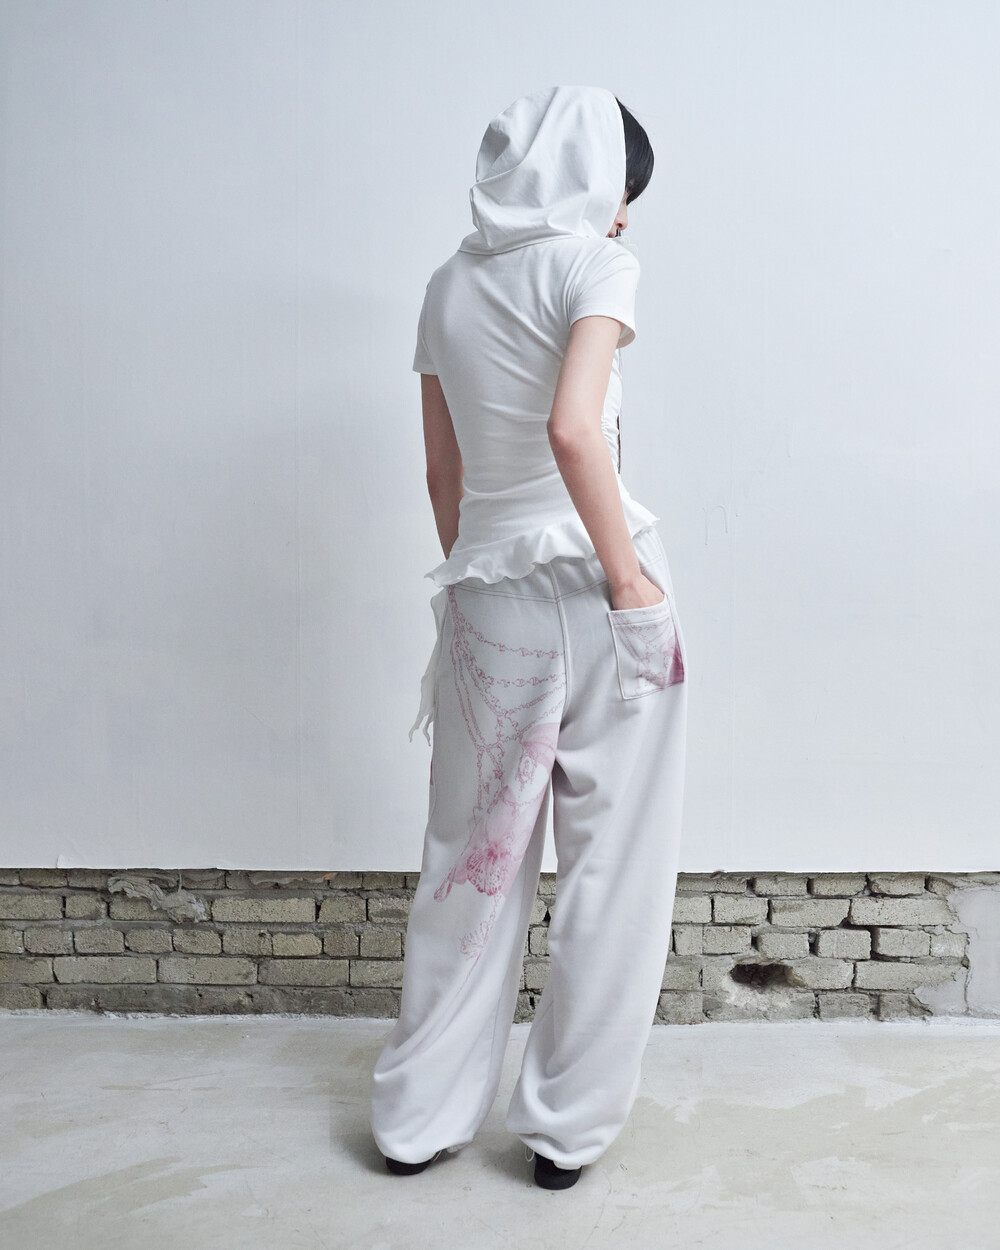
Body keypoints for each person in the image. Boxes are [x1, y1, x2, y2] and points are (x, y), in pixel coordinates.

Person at [369, 84, 688, 1191]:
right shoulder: (596, 265)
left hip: (485, 589)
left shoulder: (445, 284)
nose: (625, 212)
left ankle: (417, 1121)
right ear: (593, 176)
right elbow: (573, 430)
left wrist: (476, 576)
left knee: (471, 862)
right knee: (615, 866)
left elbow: (442, 473)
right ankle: (563, 1132)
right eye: (623, 188)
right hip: (601, 584)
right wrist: (629, 581)